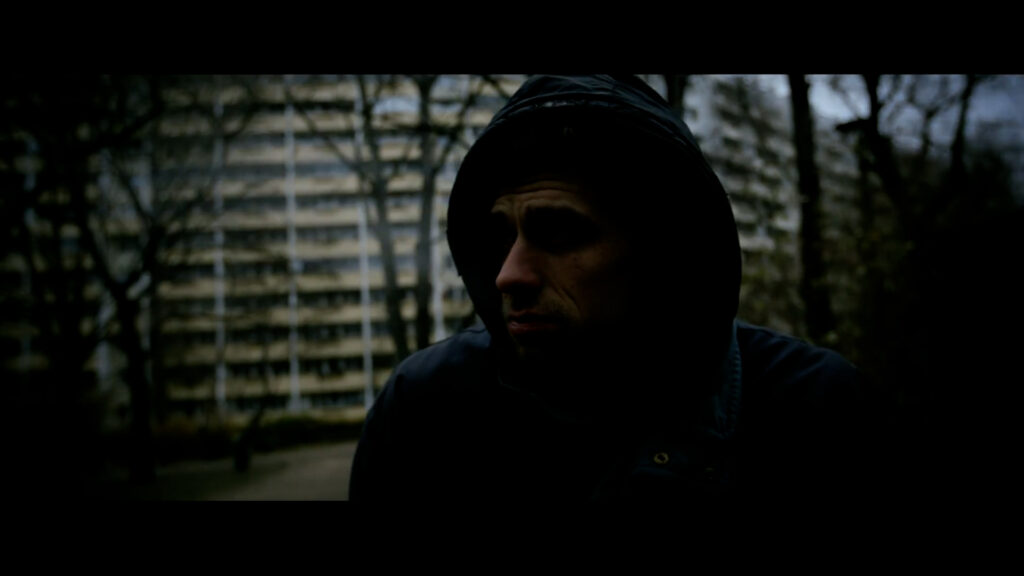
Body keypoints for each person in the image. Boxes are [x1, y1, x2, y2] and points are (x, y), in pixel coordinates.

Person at [348, 75, 886, 505]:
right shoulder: (425, 410)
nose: (508, 275)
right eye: (502, 237)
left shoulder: (817, 414)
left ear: (666, 253)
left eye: (559, 233)